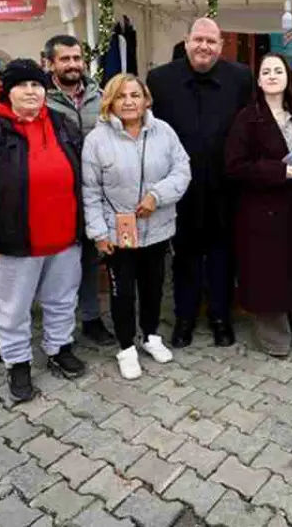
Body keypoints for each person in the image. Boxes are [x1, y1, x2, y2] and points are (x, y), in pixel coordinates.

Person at [0, 59, 87, 403]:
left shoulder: (61, 123)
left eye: (38, 85)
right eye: (23, 85)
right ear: (7, 91)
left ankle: (59, 348)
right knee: (12, 308)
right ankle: (17, 363)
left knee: (62, 300)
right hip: (14, 243)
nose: (31, 91)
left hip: (64, 238)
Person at [147, 18, 252, 348]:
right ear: (187, 40)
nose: (204, 46)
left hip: (225, 187)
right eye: (198, 39)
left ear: (221, 46)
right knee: (184, 256)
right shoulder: (160, 79)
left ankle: (221, 316)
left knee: (223, 256)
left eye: (211, 41)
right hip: (180, 189)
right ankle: (185, 318)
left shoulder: (241, 78)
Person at [83, 74, 190, 380]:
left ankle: (151, 336)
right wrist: (99, 234)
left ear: (146, 100)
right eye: (121, 96)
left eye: (135, 95)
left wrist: (157, 196)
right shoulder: (97, 140)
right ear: (110, 102)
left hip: (157, 229)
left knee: (154, 287)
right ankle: (127, 347)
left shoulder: (164, 132)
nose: (129, 101)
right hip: (117, 234)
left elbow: (182, 170)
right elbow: (90, 191)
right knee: (123, 292)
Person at [225, 53, 292, 357]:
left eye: (278, 70)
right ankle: (273, 337)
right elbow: (234, 167)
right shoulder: (247, 118)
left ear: (288, 78)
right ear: (258, 81)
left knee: (287, 270)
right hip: (260, 210)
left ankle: (290, 325)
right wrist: (278, 171)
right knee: (266, 274)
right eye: (266, 71)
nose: (272, 76)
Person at [42, 34, 114, 346]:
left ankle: (91, 319)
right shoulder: (40, 99)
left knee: (88, 259)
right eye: (65, 59)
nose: (73, 65)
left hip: (94, 195)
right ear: (50, 63)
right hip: (55, 197)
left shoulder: (100, 97)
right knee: (56, 264)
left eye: (77, 58)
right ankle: (55, 326)